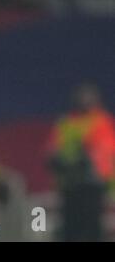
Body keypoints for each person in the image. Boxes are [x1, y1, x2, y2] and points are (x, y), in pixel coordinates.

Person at [47, 83, 115, 241]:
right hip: (70, 184)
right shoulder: (66, 123)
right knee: (71, 229)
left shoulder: (102, 122)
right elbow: (53, 150)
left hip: (93, 185)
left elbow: (106, 150)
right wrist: (57, 161)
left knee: (91, 229)